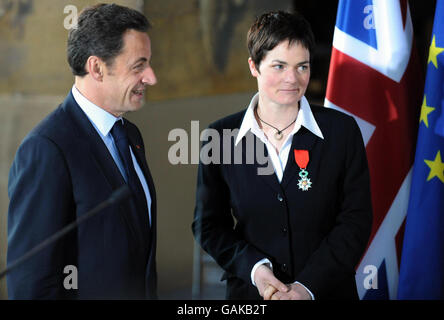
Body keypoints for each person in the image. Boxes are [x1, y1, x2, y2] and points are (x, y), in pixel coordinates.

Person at [192, 11, 372, 300]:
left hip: (327, 292)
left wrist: (307, 287)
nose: (292, 78)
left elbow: (356, 219)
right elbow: (209, 225)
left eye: (302, 66)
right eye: (279, 66)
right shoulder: (220, 137)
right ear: (254, 66)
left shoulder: (342, 131)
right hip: (252, 295)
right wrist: (256, 270)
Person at [7, 3, 158, 299]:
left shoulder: (130, 134)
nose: (151, 77)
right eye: (139, 65)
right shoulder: (46, 149)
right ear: (97, 68)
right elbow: (31, 286)